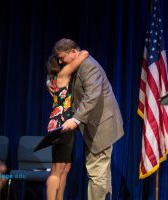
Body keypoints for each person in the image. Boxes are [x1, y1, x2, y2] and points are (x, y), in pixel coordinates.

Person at [52, 38, 124, 200]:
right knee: (98, 172)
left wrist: (76, 119)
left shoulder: (89, 66)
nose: (60, 61)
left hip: (101, 126)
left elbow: (93, 95)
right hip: (95, 125)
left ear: (73, 52)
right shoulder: (78, 65)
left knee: (97, 172)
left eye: (62, 57)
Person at [46, 50, 89, 200]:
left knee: (65, 168)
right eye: (62, 59)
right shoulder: (63, 74)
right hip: (61, 125)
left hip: (67, 125)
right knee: (58, 168)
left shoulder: (59, 77)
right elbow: (84, 54)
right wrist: (75, 53)